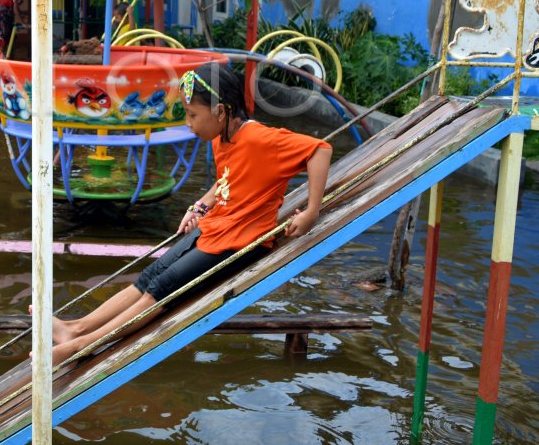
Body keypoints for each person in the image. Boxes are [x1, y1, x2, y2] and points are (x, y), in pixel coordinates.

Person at [50, 63, 332, 364]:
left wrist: (311, 212)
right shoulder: (222, 138)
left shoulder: (261, 140)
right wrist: (200, 205)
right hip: (215, 227)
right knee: (150, 275)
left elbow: (320, 150)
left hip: (240, 241)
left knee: (160, 291)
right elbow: (228, 180)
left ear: (221, 112)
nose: (188, 123)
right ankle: (74, 328)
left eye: (193, 115)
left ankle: (83, 345)